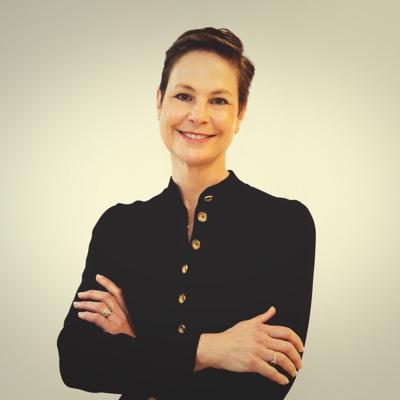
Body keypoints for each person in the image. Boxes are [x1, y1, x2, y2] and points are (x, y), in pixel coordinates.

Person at [57, 27, 316, 400]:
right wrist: (211, 349)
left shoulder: (285, 224)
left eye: (219, 100)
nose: (198, 115)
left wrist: (135, 344)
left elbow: (268, 380)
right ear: (159, 102)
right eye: (183, 96)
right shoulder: (119, 227)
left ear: (240, 114)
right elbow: (78, 361)